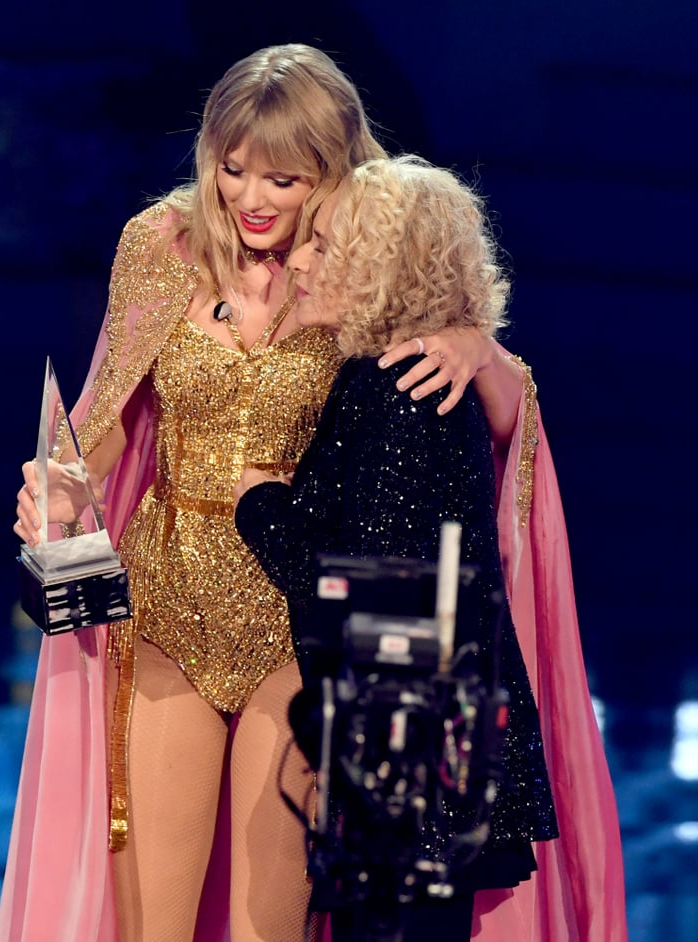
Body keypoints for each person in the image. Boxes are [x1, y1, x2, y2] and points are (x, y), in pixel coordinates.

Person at [0, 45, 514, 942]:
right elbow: (107, 413)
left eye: (283, 177)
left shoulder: (364, 257)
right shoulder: (160, 245)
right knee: (151, 922)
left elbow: (495, 411)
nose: (251, 198)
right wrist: (62, 482)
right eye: (231, 169)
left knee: (264, 928)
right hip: (168, 608)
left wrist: (480, 348)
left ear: (334, 173)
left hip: (298, 623)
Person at [235, 157, 628, 942]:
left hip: (411, 781)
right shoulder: (399, 379)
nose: (299, 262)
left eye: (325, 246)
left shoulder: (397, 391)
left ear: (381, 270)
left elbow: (376, 601)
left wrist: (260, 504)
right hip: (421, 768)